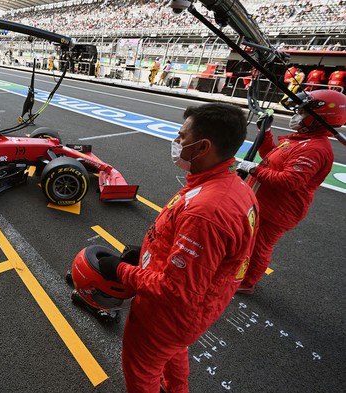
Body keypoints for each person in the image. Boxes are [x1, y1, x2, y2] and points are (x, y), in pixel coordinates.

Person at [100, 103, 258, 392]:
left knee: (141, 371)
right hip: (192, 313)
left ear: (203, 147)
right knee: (174, 351)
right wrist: (147, 256)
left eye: (182, 136)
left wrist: (123, 271)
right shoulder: (234, 187)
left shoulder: (206, 211)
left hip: (166, 316)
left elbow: (176, 291)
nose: (176, 141)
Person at [235, 89, 346, 294]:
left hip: (278, 210)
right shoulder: (300, 140)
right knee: (247, 241)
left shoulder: (315, 149)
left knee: (258, 247)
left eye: (302, 112)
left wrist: (253, 169)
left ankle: (247, 283)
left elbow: (289, 181)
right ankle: (236, 272)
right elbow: (271, 156)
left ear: (318, 118)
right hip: (263, 203)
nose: (296, 115)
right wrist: (265, 133)